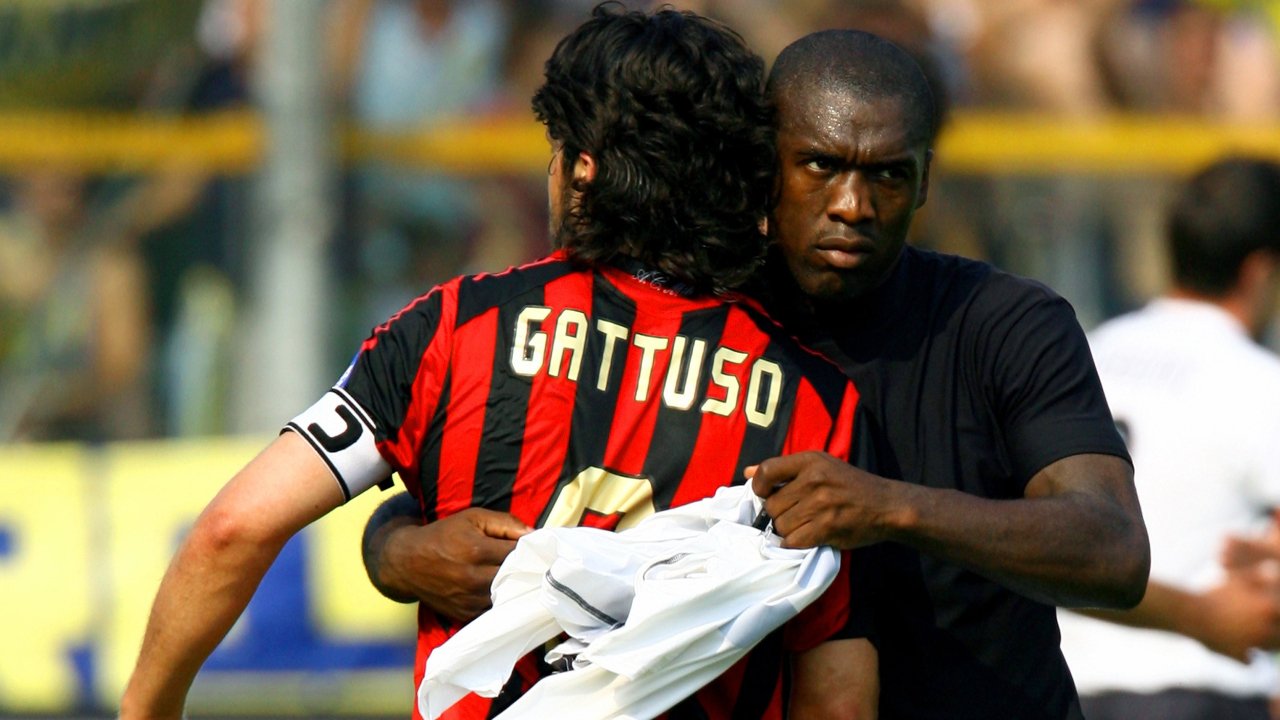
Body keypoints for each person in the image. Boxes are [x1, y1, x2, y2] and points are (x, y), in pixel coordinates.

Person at [365, 28, 1152, 719]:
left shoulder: (1005, 323)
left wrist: (895, 510)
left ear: (925, 180)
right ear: (760, 169)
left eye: (887, 175)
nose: (853, 204)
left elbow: (1113, 553)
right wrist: (393, 549)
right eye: (820, 164)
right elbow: (498, 483)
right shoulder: (690, 313)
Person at [119, 6, 876, 719]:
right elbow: (837, 697)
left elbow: (232, 528)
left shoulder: (452, 327)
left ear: (582, 169)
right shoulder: (815, 397)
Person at [1054, 157, 1280, 720]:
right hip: (1205, 687)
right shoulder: (1258, 381)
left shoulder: (1087, 354)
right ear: (1260, 272)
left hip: (1066, 688)